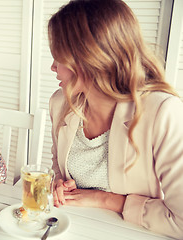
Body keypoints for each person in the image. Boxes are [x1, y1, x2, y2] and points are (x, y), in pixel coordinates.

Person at [47, 0, 183, 238]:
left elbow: (180, 222)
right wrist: (59, 183)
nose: (52, 67)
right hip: (72, 228)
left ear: (90, 59)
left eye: (59, 57)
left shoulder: (163, 112)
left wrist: (107, 200)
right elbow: (58, 166)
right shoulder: (60, 103)